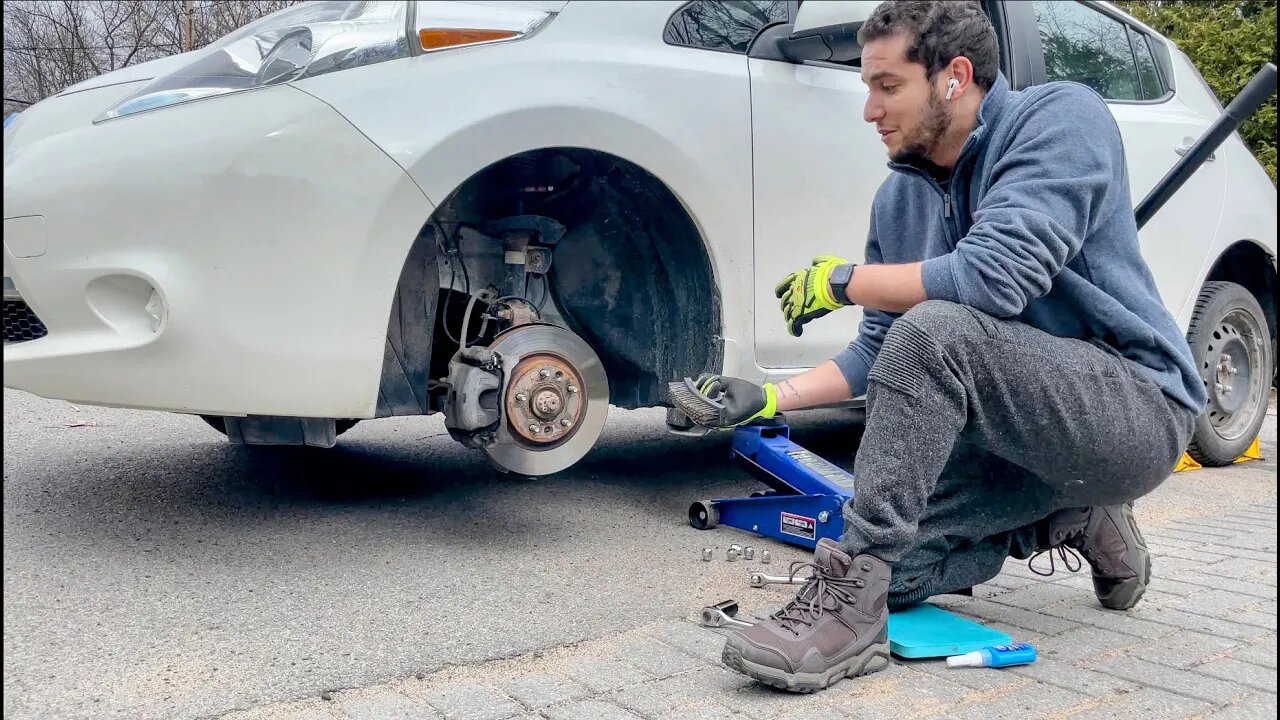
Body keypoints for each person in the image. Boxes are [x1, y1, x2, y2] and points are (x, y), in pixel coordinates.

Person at [697, 1, 1206, 693]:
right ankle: (1067, 517)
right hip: (1018, 440)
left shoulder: (1058, 120)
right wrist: (767, 398)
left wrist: (845, 281)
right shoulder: (899, 199)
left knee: (933, 331)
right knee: (893, 575)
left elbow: (994, 278)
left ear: (953, 77)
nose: (869, 109)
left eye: (886, 85)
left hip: (1136, 412)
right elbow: (878, 353)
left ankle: (848, 618)